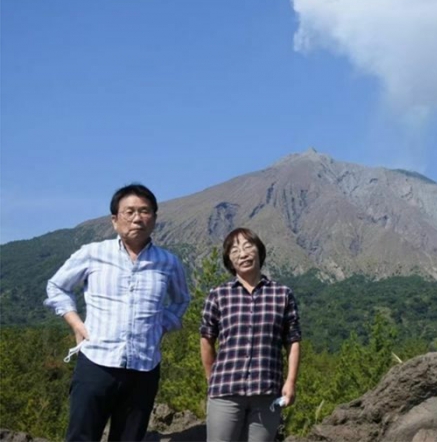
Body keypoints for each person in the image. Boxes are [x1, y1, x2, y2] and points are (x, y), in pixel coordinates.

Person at [44, 183, 191, 442]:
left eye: (145, 211)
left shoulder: (168, 262)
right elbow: (56, 286)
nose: (137, 218)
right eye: (129, 211)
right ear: (115, 220)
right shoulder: (93, 253)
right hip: (96, 363)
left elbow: (181, 300)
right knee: (81, 436)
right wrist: (77, 324)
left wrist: (162, 325)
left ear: (154, 218)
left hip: (144, 368)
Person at [200, 228, 301, 442]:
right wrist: (212, 379)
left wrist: (291, 381)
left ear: (259, 251)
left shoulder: (282, 294)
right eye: (234, 250)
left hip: (267, 390)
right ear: (229, 260)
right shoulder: (218, 295)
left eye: (248, 246)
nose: (242, 253)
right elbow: (207, 339)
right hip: (225, 390)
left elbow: (292, 341)